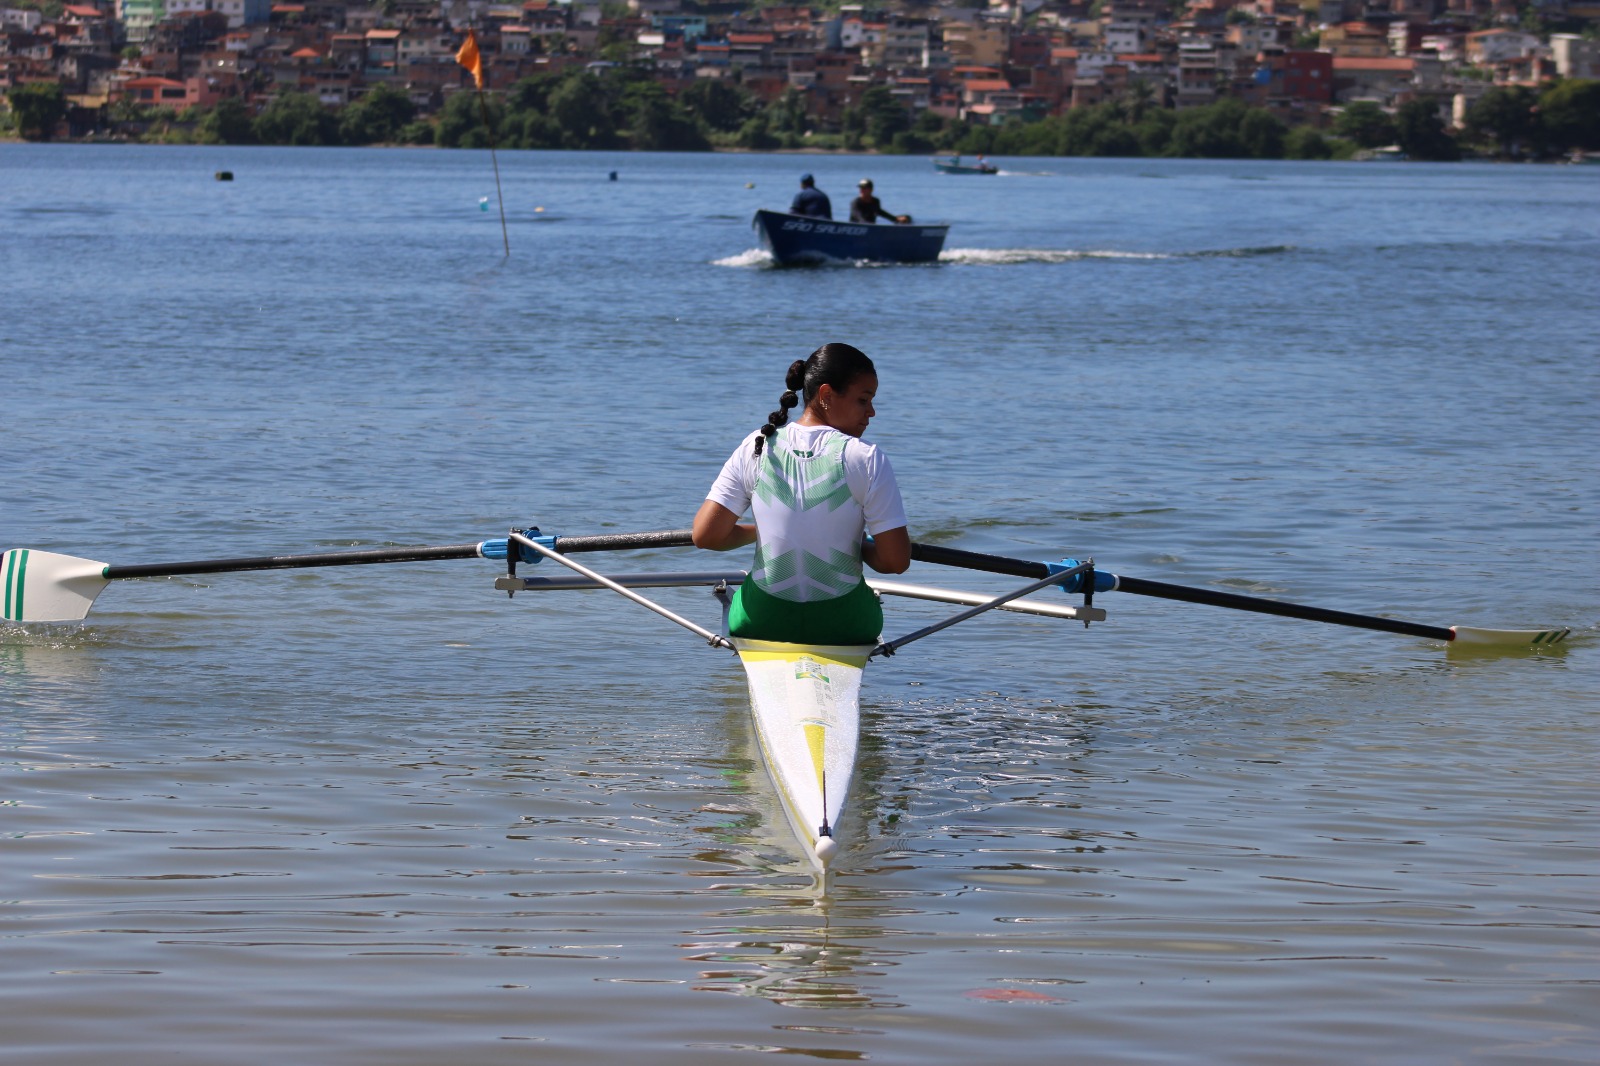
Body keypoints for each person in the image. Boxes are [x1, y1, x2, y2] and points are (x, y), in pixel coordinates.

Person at [693, 343, 911, 646]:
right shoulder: (867, 457)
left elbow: (706, 536)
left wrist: (763, 532)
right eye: (863, 400)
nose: (871, 412)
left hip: (762, 620)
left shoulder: (757, 445)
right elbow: (895, 561)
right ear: (825, 396)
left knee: (748, 595)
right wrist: (854, 542)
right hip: (846, 624)